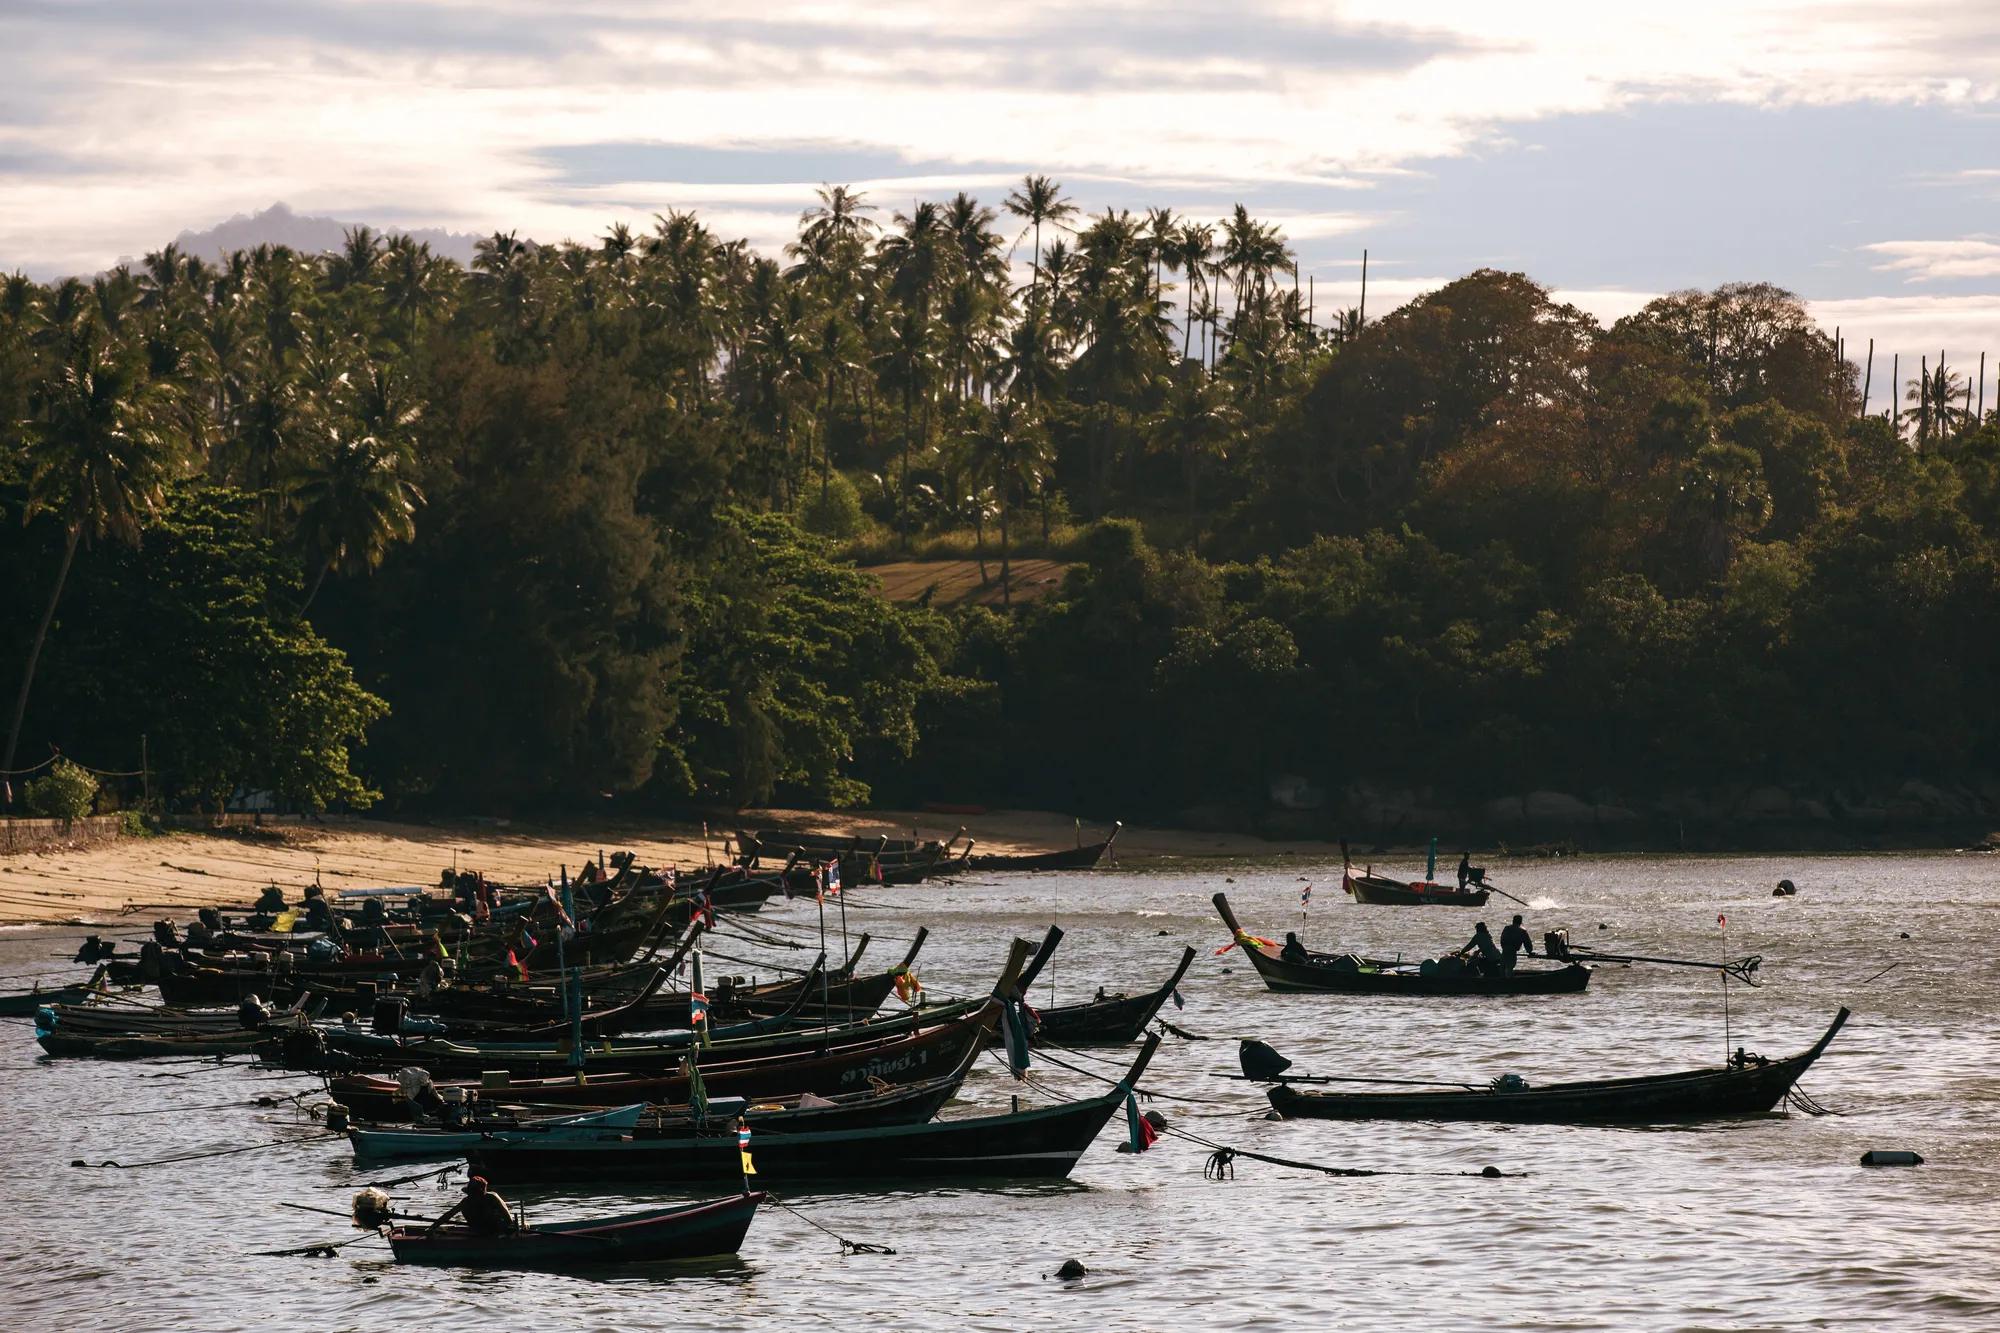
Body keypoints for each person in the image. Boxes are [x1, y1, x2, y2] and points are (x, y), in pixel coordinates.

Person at [430, 1176, 516, 1235]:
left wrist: (509, 1228)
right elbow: (448, 1215)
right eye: (471, 1193)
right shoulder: (466, 1201)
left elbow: (507, 1217)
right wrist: (433, 1227)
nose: (473, 1195)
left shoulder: (492, 1197)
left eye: (475, 1193)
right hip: (477, 1229)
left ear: (481, 1192)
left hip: (495, 1228)